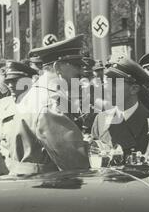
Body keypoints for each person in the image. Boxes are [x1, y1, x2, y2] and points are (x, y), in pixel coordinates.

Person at [6, 34, 90, 175]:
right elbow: (75, 162)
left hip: (31, 182)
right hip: (44, 183)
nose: (81, 71)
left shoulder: (37, 93)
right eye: (77, 65)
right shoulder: (50, 102)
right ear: (58, 67)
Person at [91, 55, 149, 157]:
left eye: (114, 83)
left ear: (134, 89)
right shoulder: (100, 120)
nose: (108, 88)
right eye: (106, 82)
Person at [0, 61, 38, 176]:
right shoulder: (3, 104)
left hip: (29, 170)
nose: (10, 85)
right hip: (2, 168)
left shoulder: (38, 104)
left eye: (15, 81)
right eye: (8, 82)